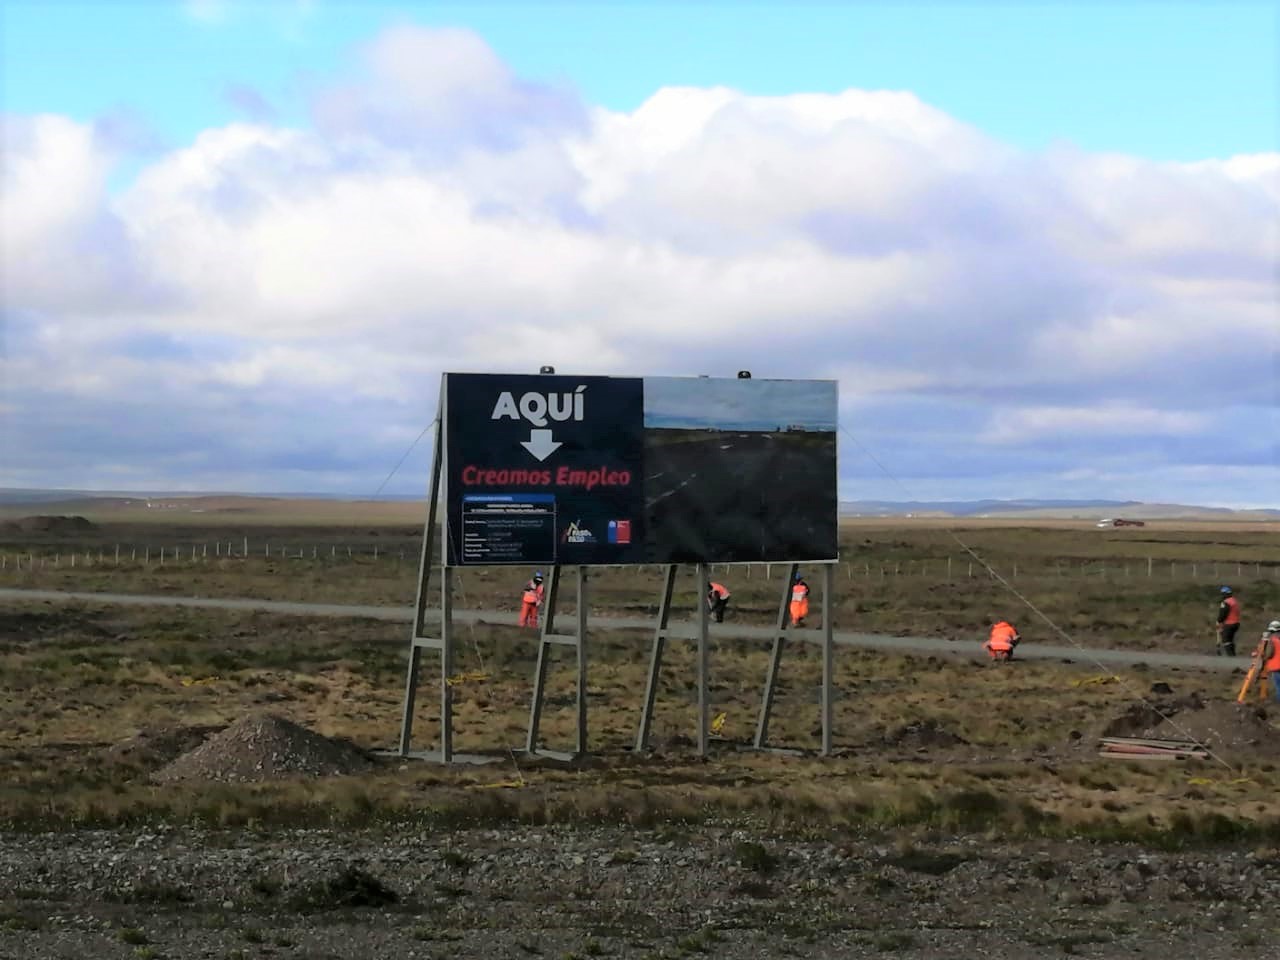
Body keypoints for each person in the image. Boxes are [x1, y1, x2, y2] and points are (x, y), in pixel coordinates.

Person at [1255, 620, 1280, 704]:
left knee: (1278, 686)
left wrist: (1264, 657)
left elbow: (1269, 653)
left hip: (1276, 667)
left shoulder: (1272, 640)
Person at [1216, 586, 1241, 656]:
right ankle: (1233, 655)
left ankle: (1231, 656)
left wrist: (1219, 621)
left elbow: (1223, 613)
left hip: (1229, 624)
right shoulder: (1234, 601)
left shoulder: (1226, 602)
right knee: (1230, 640)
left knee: (1226, 640)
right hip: (1236, 623)